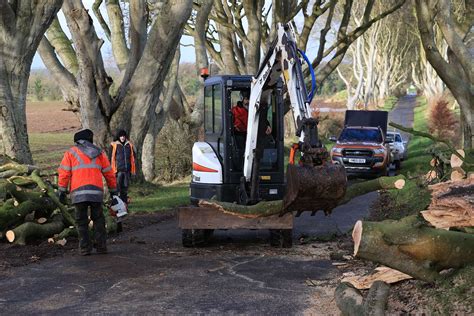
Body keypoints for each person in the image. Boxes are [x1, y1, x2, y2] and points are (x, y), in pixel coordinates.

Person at [58, 129, 117, 255]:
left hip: (78, 193)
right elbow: (109, 173)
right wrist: (113, 191)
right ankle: (101, 247)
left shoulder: (71, 153)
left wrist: (62, 191)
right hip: (96, 192)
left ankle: (85, 248)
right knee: (99, 220)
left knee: (81, 221)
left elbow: (64, 173)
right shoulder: (99, 153)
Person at [110, 130, 136, 206]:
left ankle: (124, 204)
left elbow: (133, 158)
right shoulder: (114, 145)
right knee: (117, 188)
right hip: (118, 171)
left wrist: (132, 170)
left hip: (127, 171)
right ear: (118, 137)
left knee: (125, 188)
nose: (123, 137)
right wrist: (113, 170)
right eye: (121, 136)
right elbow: (111, 158)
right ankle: (117, 204)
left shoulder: (129, 145)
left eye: (124, 136)